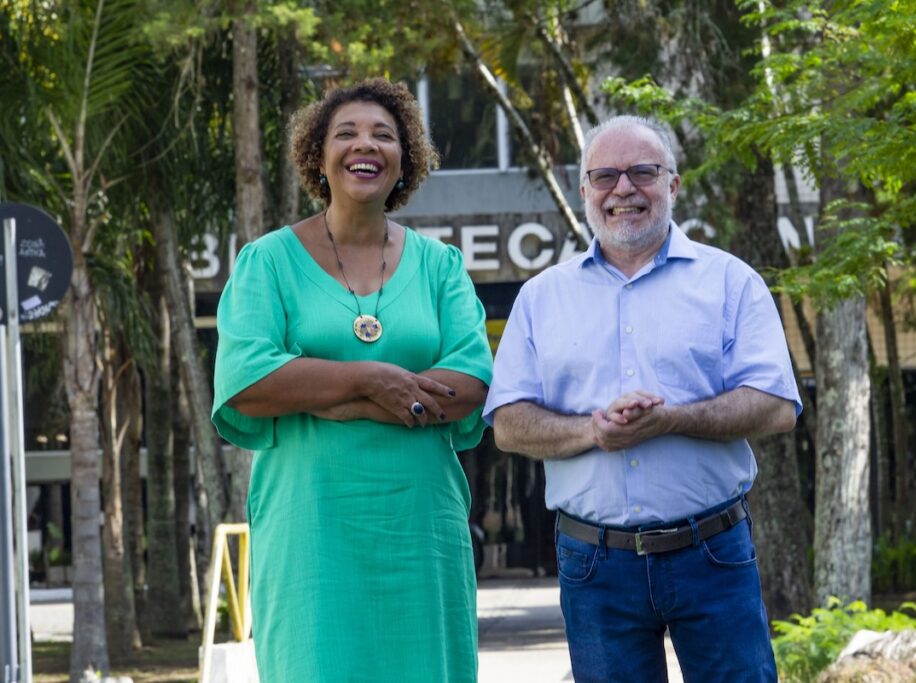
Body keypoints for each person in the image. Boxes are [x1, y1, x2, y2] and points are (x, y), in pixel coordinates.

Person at [483, 115, 802, 683]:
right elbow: (507, 424)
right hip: (594, 563)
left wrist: (671, 419)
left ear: (673, 184)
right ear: (584, 190)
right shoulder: (540, 298)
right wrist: (592, 430)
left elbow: (775, 406)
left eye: (642, 172)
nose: (623, 189)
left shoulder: (730, 282)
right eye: (605, 175)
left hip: (713, 551)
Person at [212, 78, 492, 682]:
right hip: (310, 530)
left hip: (421, 527)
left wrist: (337, 395)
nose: (365, 144)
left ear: (404, 162)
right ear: (319, 156)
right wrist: (368, 379)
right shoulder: (267, 262)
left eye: (383, 135)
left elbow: (471, 380)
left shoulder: (440, 266)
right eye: (347, 133)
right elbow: (247, 380)